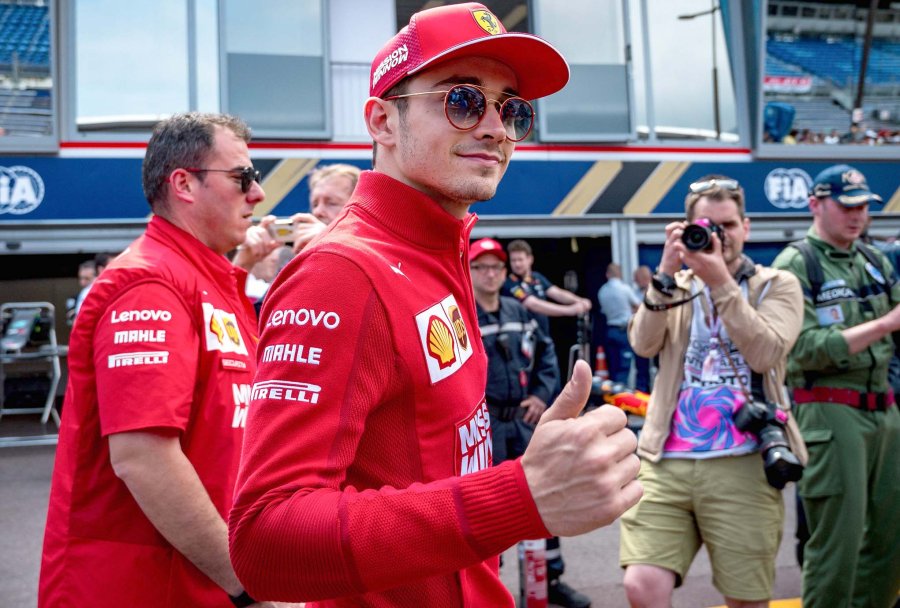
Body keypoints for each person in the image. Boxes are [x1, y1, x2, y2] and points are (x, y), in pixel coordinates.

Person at [229, 4, 642, 606]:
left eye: (512, 109)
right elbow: (267, 541)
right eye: (464, 100)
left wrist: (526, 478)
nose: (497, 129)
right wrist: (517, 496)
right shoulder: (341, 272)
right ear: (383, 122)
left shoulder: (442, 252)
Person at [39, 112, 288, 608]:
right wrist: (250, 588)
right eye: (243, 177)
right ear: (184, 185)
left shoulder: (208, 282)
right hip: (141, 586)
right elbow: (144, 458)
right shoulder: (148, 284)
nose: (257, 194)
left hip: (195, 582)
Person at [620, 175, 805, 608]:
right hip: (666, 456)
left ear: (746, 226)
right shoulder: (676, 287)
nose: (720, 235)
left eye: (729, 225)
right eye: (708, 226)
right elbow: (642, 345)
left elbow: (765, 353)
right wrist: (664, 274)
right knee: (641, 585)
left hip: (744, 460)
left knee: (745, 598)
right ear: (686, 230)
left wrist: (719, 279)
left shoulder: (777, 285)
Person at [772, 164, 900, 608]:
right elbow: (800, 348)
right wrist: (884, 324)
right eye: (847, 206)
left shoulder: (875, 259)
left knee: (889, 542)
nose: (858, 215)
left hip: (884, 407)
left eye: (864, 206)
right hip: (829, 409)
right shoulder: (795, 263)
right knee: (837, 546)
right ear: (815, 205)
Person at [470, 237, 591, 608]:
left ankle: (548, 582)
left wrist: (541, 395)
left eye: (497, 268)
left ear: (506, 273)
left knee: (541, 499)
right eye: (481, 267)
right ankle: (491, 590)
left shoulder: (518, 311)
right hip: (486, 428)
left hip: (523, 424)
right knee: (487, 510)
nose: (490, 274)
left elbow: (547, 354)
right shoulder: (462, 314)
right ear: (469, 271)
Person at [504, 238, 592, 335]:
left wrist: (580, 300)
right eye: (513, 260)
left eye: (520, 259)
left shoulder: (536, 277)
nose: (517, 264)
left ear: (530, 259)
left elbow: (557, 293)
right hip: (523, 338)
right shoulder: (509, 283)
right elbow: (533, 304)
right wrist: (570, 310)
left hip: (543, 336)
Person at [289, 163, 361, 253]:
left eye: (331, 203)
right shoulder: (299, 247)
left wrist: (329, 239)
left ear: (358, 207)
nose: (317, 212)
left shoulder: (372, 245)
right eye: (315, 204)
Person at [597, 263, 640, 386]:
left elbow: (604, 310)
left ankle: (613, 396)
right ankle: (621, 399)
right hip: (623, 331)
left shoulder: (602, 291)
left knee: (613, 366)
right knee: (623, 367)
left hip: (610, 330)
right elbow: (638, 306)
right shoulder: (624, 289)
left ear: (607, 274)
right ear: (620, 274)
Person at [632, 265, 653, 392]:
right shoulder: (633, 293)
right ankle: (643, 392)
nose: (635, 281)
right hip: (640, 335)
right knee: (641, 367)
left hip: (658, 335)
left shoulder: (657, 293)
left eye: (637, 278)